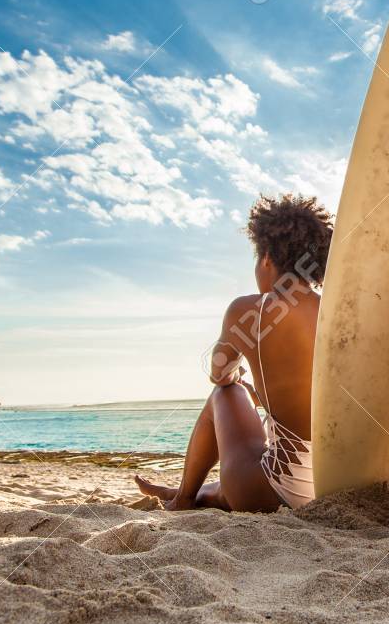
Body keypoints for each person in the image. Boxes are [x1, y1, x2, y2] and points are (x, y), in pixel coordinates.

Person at [135, 193, 333, 512]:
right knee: (239, 472)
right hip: (327, 494)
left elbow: (219, 373)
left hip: (270, 491)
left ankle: (184, 496)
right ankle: (188, 491)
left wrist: (236, 374)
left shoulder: (250, 310)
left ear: (266, 257)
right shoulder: (336, 310)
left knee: (225, 394)